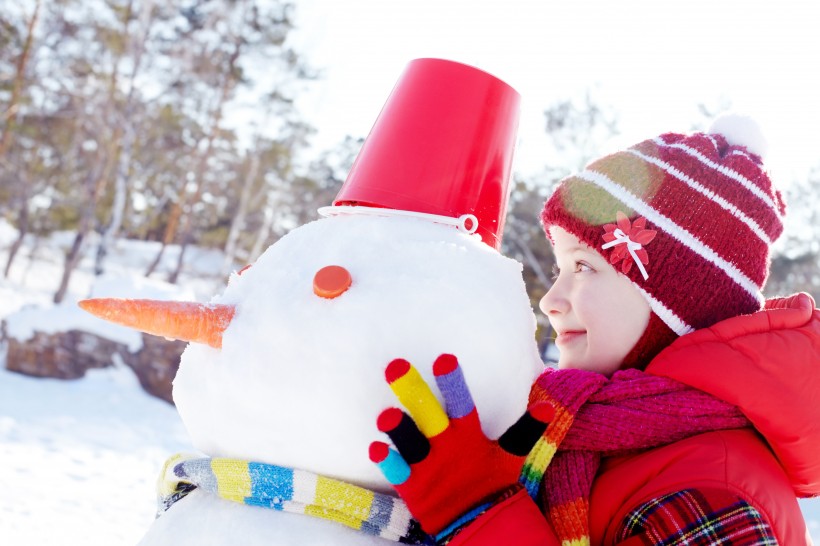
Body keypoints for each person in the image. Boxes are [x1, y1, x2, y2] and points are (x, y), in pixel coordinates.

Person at [370, 115, 820, 545]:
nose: (550, 300)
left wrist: (477, 510)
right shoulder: (594, 433)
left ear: (675, 306)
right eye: (559, 268)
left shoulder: (718, 490)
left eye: (584, 266)